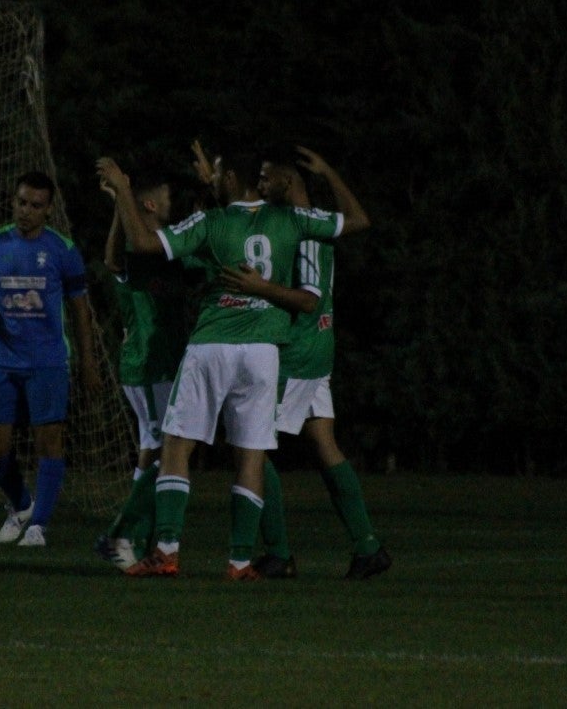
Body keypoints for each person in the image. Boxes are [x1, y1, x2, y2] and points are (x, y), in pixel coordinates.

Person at [96, 146, 368, 580]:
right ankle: (240, 561)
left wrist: (124, 190)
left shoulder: (211, 223)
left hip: (213, 345)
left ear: (228, 181)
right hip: (264, 352)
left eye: (219, 174)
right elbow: (356, 221)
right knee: (252, 457)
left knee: (176, 446)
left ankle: (166, 548)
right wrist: (332, 173)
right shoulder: (291, 219)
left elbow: (143, 242)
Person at [220, 147, 390, 580]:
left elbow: (310, 300)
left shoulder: (306, 232)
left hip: (297, 350)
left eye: (265, 179)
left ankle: (278, 553)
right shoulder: (297, 223)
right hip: (315, 348)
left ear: (287, 183)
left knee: (249, 446)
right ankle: (367, 546)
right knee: (324, 444)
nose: (259, 185)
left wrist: (259, 288)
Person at [0, 171, 100, 548]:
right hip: (3, 360)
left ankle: (39, 525)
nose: (25, 211)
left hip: (47, 361)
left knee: (50, 442)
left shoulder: (62, 249)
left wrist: (88, 362)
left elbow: (80, 311)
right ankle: (22, 504)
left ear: (48, 210)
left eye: (35, 205)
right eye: (21, 202)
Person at [93, 171, 196, 570]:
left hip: (159, 363)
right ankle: (120, 536)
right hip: (149, 365)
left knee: (154, 451)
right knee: (164, 453)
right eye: (167, 194)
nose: (174, 202)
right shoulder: (140, 256)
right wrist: (124, 198)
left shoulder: (167, 251)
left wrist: (124, 198)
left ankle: (136, 538)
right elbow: (112, 260)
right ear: (151, 205)